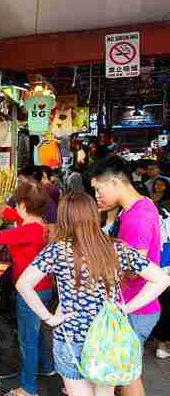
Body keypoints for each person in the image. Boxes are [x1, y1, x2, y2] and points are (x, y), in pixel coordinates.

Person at [16, 192, 170, 396]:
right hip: (108, 339)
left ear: (64, 218)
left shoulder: (57, 251)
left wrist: (50, 318)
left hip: (71, 337)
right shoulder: (116, 248)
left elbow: (23, 284)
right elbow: (163, 278)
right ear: (93, 215)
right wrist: (127, 308)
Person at [0, 182, 53, 396]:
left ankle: (28, 388)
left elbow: (0, 238)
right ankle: (47, 368)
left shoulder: (31, 230)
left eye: (17, 205)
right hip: (42, 288)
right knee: (38, 331)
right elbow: (6, 211)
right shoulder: (34, 221)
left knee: (28, 339)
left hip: (31, 292)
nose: (14, 208)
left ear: (24, 206)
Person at [89, 156, 162, 396]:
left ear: (115, 183)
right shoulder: (137, 207)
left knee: (128, 376)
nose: (97, 196)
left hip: (135, 306)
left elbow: (132, 268)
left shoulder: (137, 217)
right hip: (135, 304)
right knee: (125, 373)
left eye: (98, 190)